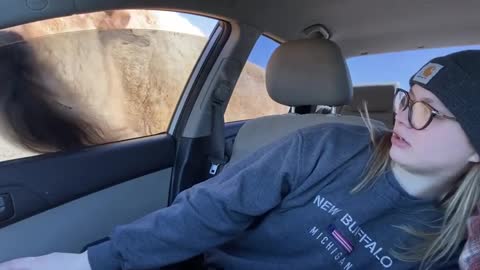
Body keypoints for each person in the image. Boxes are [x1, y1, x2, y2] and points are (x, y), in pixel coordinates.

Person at [1, 50, 480, 270]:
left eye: (430, 112)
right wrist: (93, 263)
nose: (403, 117)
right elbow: (208, 211)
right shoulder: (326, 147)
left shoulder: (456, 248)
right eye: (406, 98)